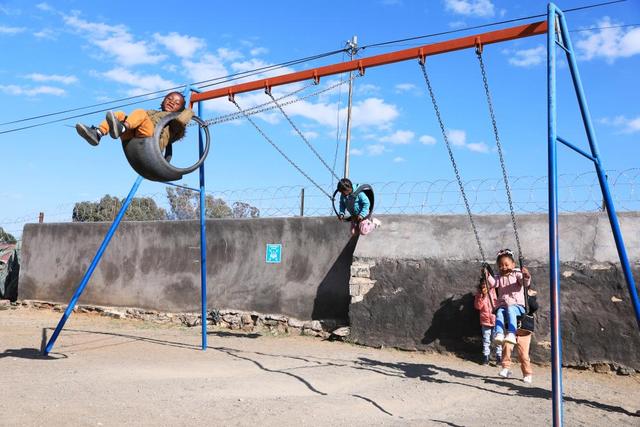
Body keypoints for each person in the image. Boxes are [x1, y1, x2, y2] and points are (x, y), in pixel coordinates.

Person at [75, 91, 194, 150]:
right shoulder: (151, 112)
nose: (172, 102)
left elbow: (183, 120)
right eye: (169, 98)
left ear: (180, 109)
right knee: (119, 114)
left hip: (151, 139)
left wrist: (187, 109)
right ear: (163, 101)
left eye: (177, 103)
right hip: (134, 135)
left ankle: (122, 128)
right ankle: (97, 134)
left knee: (140, 112)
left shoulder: (175, 125)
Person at [484, 248, 531, 346]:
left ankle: (511, 333)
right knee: (500, 312)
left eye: (506, 265)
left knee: (510, 308)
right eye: (500, 266)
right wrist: (487, 275)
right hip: (503, 306)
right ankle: (499, 333)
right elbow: (494, 284)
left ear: (513, 265)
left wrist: (526, 275)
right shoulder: (499, 277)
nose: (503, 267)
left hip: (518, 306)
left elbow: (524, 283)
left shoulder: (517, 274)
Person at [499, 289, 539, 384]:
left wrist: (528, 296)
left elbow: (534, 307)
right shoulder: (512, 302)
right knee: (506, 347)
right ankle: (506, 368)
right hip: (512, 333)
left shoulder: (527, 303)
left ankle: (527, 374)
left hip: (524, 333)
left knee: (523, 355)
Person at [474, 277, 502, 365]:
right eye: (483, 285)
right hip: (485, 321)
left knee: (498, 340)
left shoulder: (495, 292)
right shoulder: (479, 295)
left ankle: (499, 357)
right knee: (486, 340)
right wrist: (482, 296)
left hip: (495, 320)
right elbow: (478, 307)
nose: (485, 286)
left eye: (486, 284)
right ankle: (486, 357)